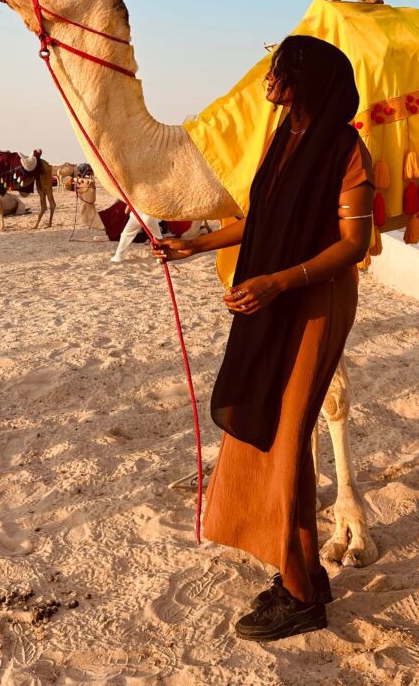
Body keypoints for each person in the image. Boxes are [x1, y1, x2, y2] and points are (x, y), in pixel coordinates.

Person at [152, 36, 373, 642]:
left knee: (288, 432)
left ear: (310, 83)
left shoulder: (346, 150)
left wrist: (278, 281)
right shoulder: (284, 141)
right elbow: (264, 219)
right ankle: (302, 574)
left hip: (316, 299)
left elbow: (352, 245)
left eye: (282, 74)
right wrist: (195, 244)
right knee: (280, 432)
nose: (271, 83)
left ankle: (300, 592)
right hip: (276, 294)